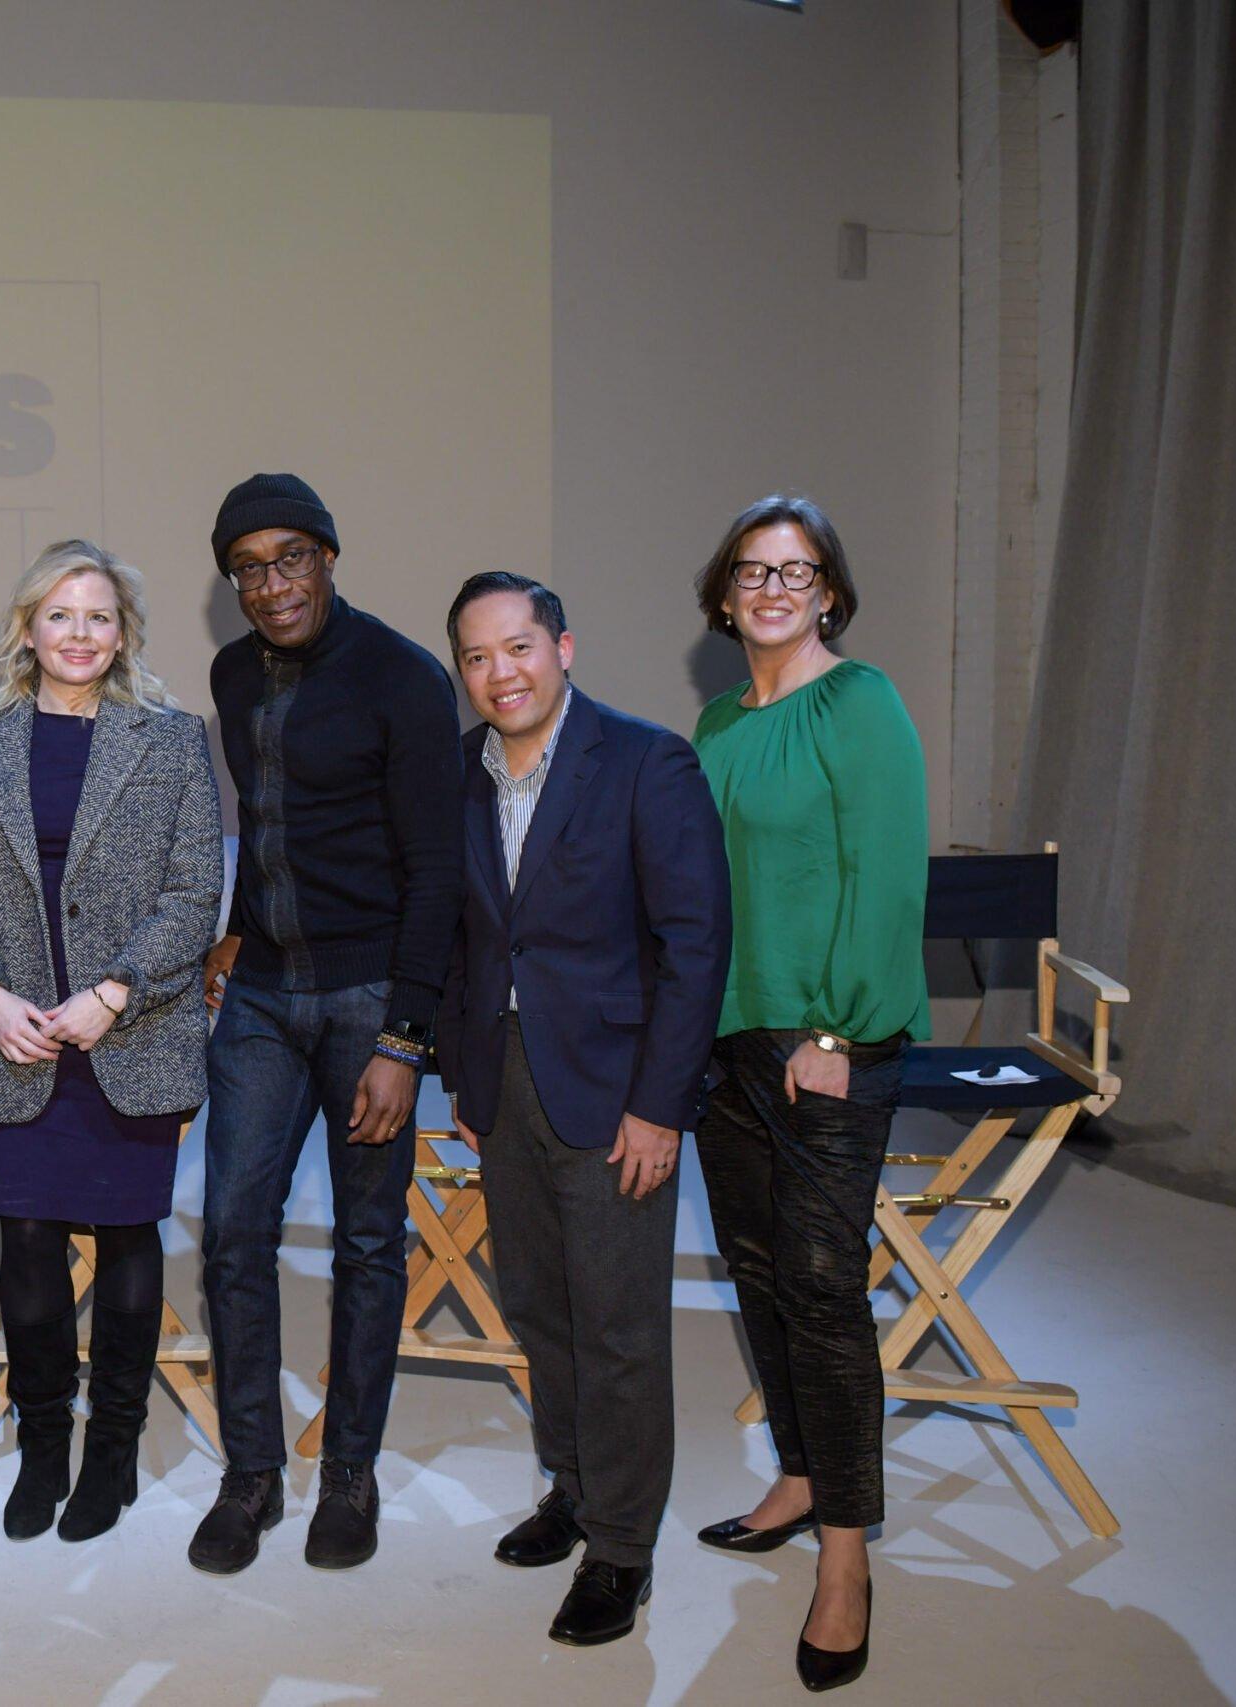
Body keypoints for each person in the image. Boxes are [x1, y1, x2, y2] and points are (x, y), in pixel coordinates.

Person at [438, 573, 731, 1647]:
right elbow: (471, 939)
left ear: (564, 646)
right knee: (539, 1309)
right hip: (503, 1084)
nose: (498, 673)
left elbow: (693, 948)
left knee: (615, 1326)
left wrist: (660, 1107)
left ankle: (620, 1547)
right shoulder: (460, 777)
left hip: (615, 1094)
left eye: (517, 647)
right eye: (475, 657)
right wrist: (467, 1081)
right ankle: (570, 1487)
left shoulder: (646, 762)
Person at [190, 473, 465, 1576]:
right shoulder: (227, 673)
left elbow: (437, 872)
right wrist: (228, 930)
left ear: (329, 557)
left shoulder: (403, 679)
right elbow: (263, 833)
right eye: (248, 567)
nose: (270, 583)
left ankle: (348, 1472)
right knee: (229, 1234)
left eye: (289, 557)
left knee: (364, 1243)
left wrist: (405, 1039)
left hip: (367, 1002)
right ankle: (251, 1474)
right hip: (258, 994)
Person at [687, 494, 928, 1694]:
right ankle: (796, 1471)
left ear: (828, 589)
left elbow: (883, 875)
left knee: (827, 1292)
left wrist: (834, 1024)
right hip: (726, 1046)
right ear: (723, 595)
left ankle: (846, 1558)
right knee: (760, 1270)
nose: (773, 589)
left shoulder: (860, 702)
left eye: (797, 570)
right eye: (752, 571)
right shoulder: (719, 720)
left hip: (827, 1038)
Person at [0, 540, 224, 1544]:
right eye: (59, 615)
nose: (78, 634)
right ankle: (44, 1447)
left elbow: (195, 893)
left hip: (132, 1033)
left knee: (127, 1238)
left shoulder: (173, 740)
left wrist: (114, 991)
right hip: (17, 1040)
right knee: (25, 1240)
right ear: (28, 627)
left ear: (123, 634)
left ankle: (112, 1456)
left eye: (98, 616)